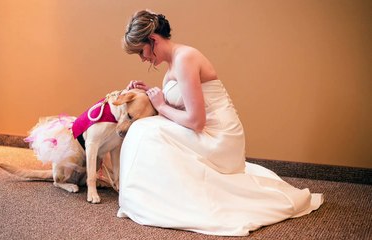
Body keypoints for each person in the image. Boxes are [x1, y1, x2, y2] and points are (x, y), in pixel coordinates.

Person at [117, 9, 323, 236]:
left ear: (153, 40)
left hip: (219, 137)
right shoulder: (171, 68)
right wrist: (147, 95)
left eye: (141, 51)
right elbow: (175, 110)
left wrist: (162, 106)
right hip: (205, 131)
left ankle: (155, 200)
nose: (143, 58)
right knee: (143, 129)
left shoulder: (186, 58)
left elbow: (195, 121)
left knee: (145, 132)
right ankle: (154, 198)